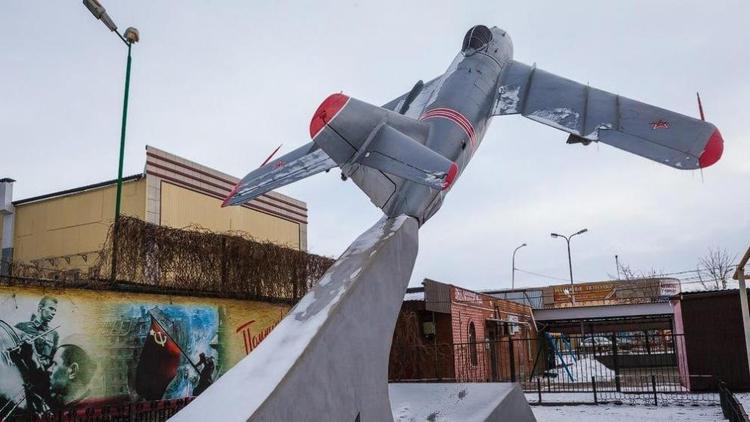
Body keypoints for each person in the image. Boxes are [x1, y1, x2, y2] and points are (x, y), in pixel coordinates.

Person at [14, 296, 59, 367]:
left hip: (39, 374)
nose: (53, 313)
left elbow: (51, 362)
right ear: (40, 308)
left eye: (55, 310)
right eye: (51, 308)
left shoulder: (53, 334)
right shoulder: (21, 326)